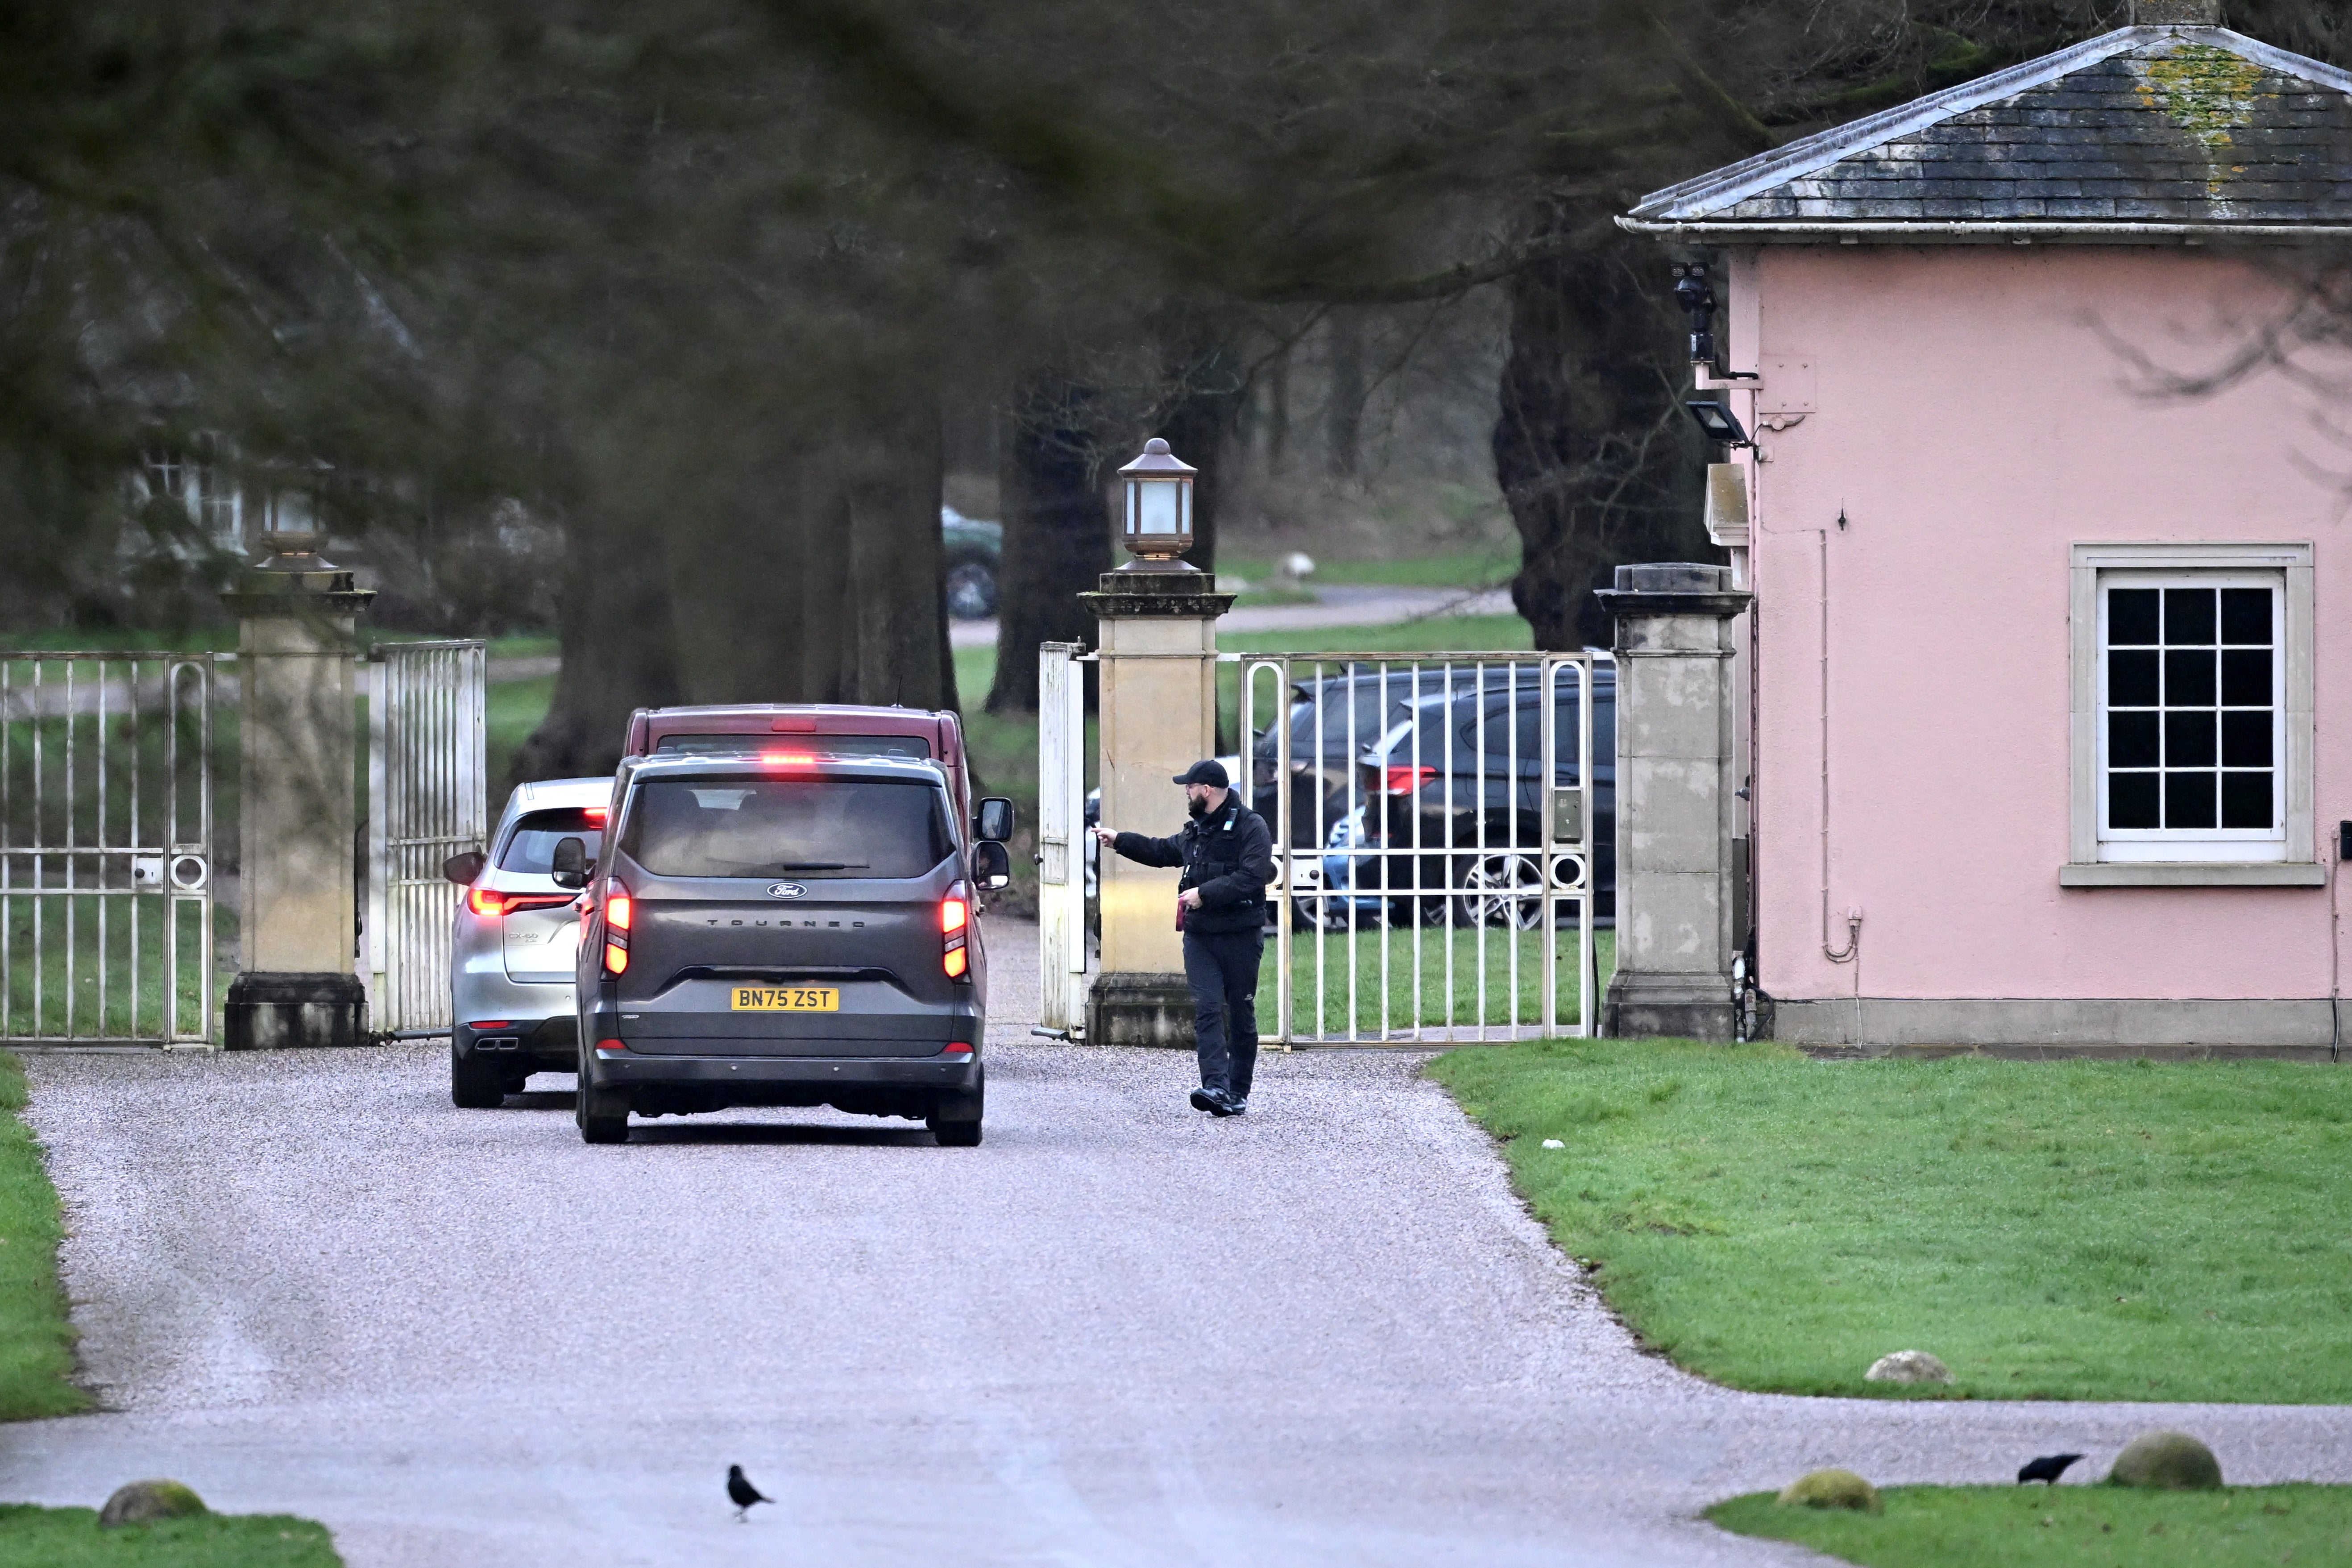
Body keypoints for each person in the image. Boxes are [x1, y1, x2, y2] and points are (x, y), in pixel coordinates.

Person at [1092, 759, 1276, 1116]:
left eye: (1189, 788)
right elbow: (1163, 851)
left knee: (1240, 1012)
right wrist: (1119, 841)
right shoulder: (1197, 831)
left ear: (1206, 790)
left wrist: (1204, 893)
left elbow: (1252, 876)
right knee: (1207, 1008)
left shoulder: (1251, 827)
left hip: (1239, 934)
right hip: (1201, 936)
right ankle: (1214, 1088)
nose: (1186, 794)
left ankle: (1237, 1093)